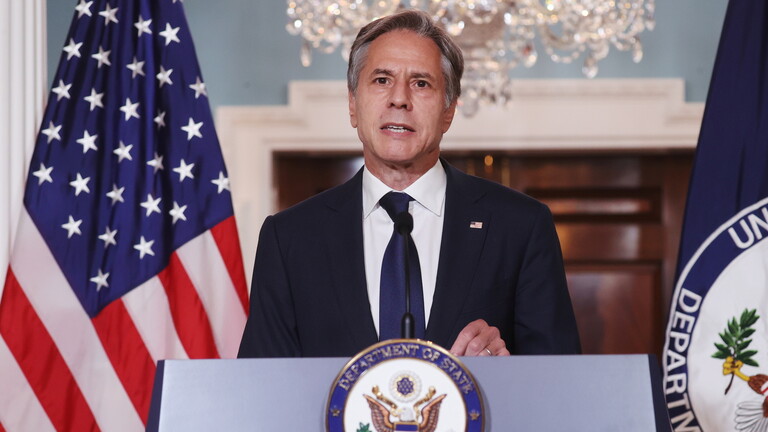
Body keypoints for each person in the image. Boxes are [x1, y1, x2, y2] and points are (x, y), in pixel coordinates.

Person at [238, 9, 580, 358]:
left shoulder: (520, 226)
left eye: (421, 83)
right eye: (381, 80)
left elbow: (560, 378)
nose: (399, 98)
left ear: (448, 111)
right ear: (353, 104)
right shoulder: (290, 237)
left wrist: (503, 376)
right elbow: (262, 383)